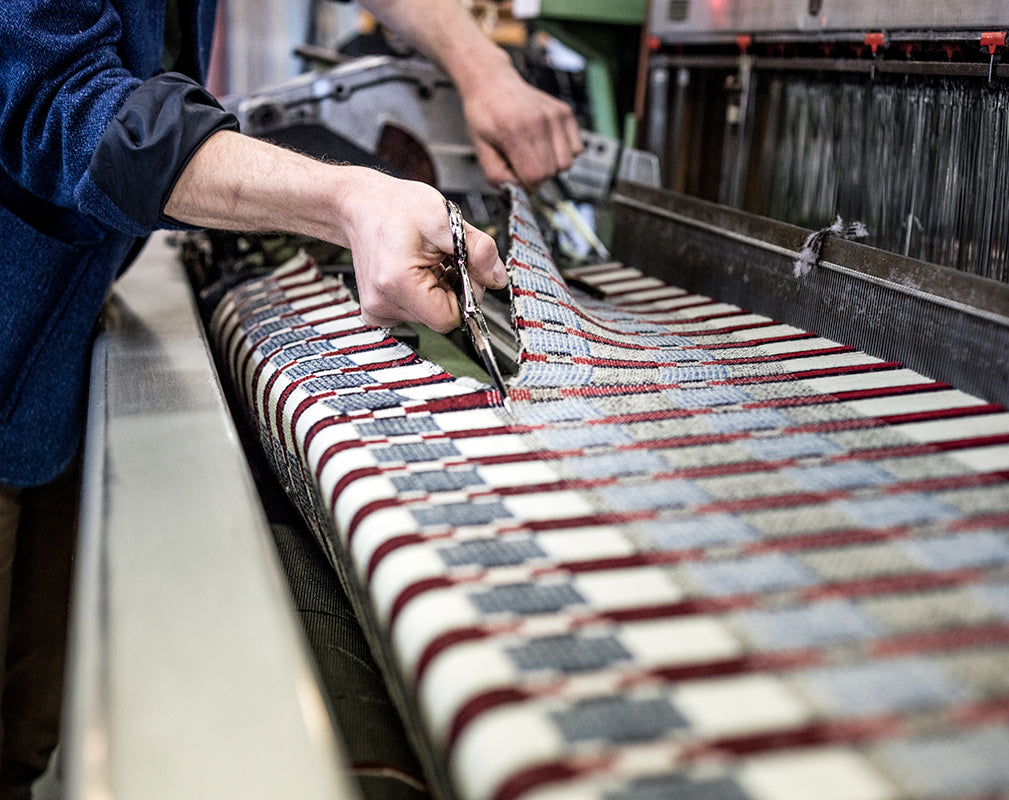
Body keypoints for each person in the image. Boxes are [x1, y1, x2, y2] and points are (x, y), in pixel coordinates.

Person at [0, 0, 581, 795]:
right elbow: (61, 103)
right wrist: (348, 200)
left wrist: (483, 70)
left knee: (27, 730)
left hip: (58, 339)